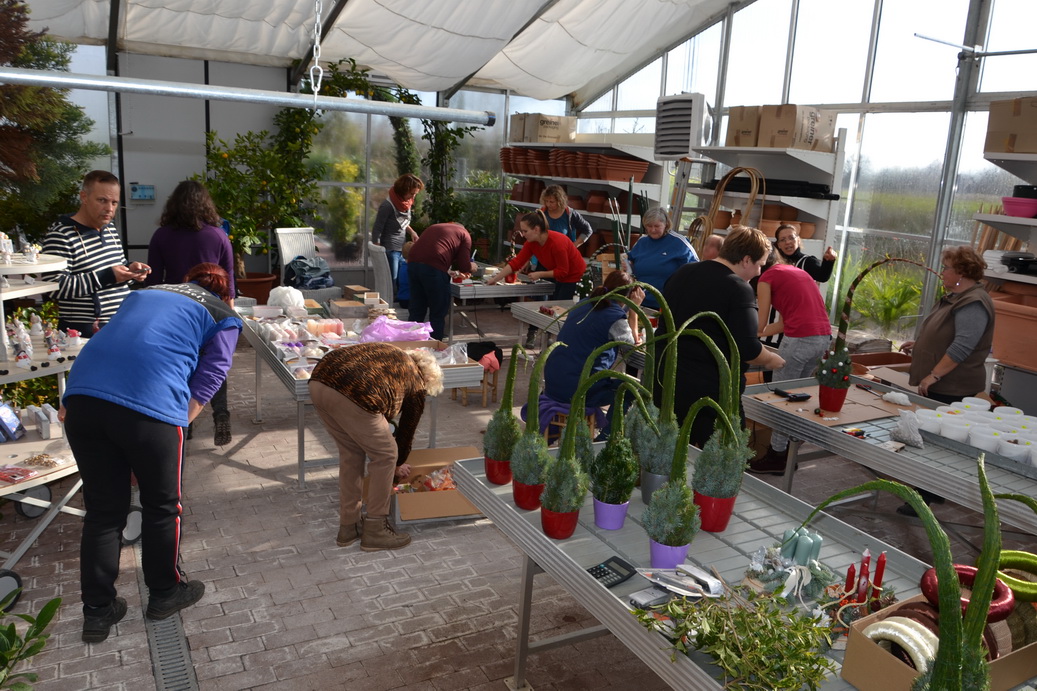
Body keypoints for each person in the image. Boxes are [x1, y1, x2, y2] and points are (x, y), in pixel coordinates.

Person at [61, 263, 242, 643]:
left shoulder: (145, 294)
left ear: (186, 282)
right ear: (225, 295)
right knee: (162, 507)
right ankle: (164, 593)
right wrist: (177, 422)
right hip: (149, 406)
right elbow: (213, 374)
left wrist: (71, 400)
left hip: (82, 400)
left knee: (103, 511)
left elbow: (110, 340)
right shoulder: (223, 314)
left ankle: (97, 612)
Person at [655, 226, 786, 448]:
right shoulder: (738, 288)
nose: (758, 273)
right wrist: (773, 360)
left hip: (667, 380)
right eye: (759, 265)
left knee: (672, 452)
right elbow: (749, 349)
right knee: (726, 455)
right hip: (710, 394)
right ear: (746, 260)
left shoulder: (683, 272)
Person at [308, 342, 444, 551]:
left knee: (351, 454)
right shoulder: (417, 382)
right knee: (386, 455)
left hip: (319, 383)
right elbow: (406, 431)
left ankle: (348, 527)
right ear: (428, 378)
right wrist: (397, 465)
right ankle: (376, 530)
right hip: (356, 393)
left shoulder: (394, 354)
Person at [897, 246, 995, 516]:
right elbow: (947, 334)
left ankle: (924, 499)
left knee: (937, 443)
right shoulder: (958, 297)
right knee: (934, 440)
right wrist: (920, 345)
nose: (942, 272)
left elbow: (962, 346)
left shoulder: (973, 303)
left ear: (961, 272)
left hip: (953, 386)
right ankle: (930, 491)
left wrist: (934, 374)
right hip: (946, 384)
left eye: (946, 268)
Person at [146, 180, 237, 446]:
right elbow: (229, 278)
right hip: (211, 310)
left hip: (174, 310)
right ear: (206, 204)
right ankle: (221, 414)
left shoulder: (161, 236)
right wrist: (229, 316)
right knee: (213, 363)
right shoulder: (218, 235)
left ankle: (188, 424)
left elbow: (154, 280)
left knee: (182, 365)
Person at [750, 251, 832, 474]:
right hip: (822, 339)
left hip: (800, 340)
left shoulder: (766, 278)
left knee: (782, 398)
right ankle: (788, 453)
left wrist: (747, 333)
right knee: (797, 397)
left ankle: (777, 456)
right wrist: (755, 335)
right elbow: (782, 325)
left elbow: (761, 323)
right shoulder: (794, 271)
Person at [42, 170, 151, 334]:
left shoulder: (109, 229)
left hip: (119, 324)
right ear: (84, 197)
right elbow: (53, 287)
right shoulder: (61, 234)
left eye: (114, 202)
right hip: (81, 332)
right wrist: (107, 276)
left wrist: (130, 270)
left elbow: (114, 267)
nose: (109, 208)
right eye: (102, 200)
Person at [544, 270, 644, 438]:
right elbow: (631, 348)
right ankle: (605, 439)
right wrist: (634, 310)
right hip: (579, 388)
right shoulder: (615, 318)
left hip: (554, 382)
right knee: (631, 389)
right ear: (628, 296)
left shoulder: (584, 303)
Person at [486, 210, 587, 348]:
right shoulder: (531, 243)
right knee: (547, 307)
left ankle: (558, 344)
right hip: (556, 273)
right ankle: (544, 338)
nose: (523, 234)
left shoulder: (557, 242)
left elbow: (563, 271)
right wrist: (495, 279)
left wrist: (540, 274)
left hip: (574, 277)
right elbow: (517, 262)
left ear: (536, 229)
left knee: (560, 311)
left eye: (525, 231)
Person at [406, 222, 473, 340]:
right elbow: (464, 266)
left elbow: (433, 251)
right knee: (438, 311)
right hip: (433, 267)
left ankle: (410, 343)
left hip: (412, 262)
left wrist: (444, 271)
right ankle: (435, 346)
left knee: (417, 308)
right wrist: (472, 266)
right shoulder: (464, 234)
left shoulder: (436, 227)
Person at [627, 207, 696, 309]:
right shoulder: (642, 242)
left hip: (667, 305)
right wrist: (627, 264)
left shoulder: (679, 242)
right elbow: (630, 261)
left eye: (657, 226)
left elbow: (694, 270)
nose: (652, 230)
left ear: (666, 224)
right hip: (640, 302)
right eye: (649, 226)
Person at [372, 174, 423, 292]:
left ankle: (399, 300)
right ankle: (389, 302)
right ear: (403, 190)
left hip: (401, 249)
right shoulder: (387, 206)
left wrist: (412, 232)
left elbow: (402, 222)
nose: (413, 197)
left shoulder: (406, 203)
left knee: (401, 280)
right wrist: (378, 251)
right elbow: (377, 228)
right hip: (390, 249)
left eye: (415, 194)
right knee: (392, 281)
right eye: (411, 193)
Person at [773, 223, 838, 282]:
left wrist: (828, 261)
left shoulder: (807, 262)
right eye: (782, 240)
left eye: (791, 238)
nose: (787, 242)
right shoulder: (774, 262)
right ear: (779, 245)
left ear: (798, 240)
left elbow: (822, 277)